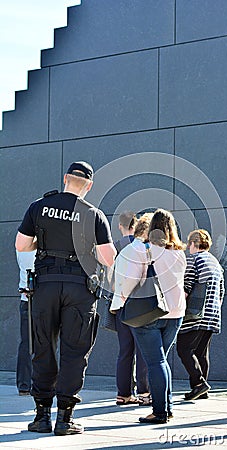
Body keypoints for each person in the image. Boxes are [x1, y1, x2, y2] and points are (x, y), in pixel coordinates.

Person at [15, 161, 116, 436]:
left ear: (65, 178)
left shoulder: (39, 206)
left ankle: (41, 416)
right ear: (89, 186)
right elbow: (108, 258)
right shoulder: (93, 214)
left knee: (43, 347)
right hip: (80, 290)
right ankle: (65, 419)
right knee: (75, 352)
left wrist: (43, 245)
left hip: (45, 286)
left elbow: (21, 245)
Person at [119, 208, 186, 424]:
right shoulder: (179, 253)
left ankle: (159, 412)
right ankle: (167, 407)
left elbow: (130, 281)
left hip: (149, 313)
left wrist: (122, 298)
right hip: (176, 313)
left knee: (156, 362)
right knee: (161, 361)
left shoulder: (145, 251)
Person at [176, 229, 224, 401]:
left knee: (183, 349)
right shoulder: (215, 263)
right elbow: (221, 291)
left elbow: (187, 286)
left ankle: (199, 383)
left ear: (193, 244)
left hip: (196, 313)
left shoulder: (194, 259)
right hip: (212, 314)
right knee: (201, 352)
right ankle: (201, 390)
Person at [110, 213, 152, 406]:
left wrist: (119, 297)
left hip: (121, 306)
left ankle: (123, 394)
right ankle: (144, 393)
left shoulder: (123, 250)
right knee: (143, 351)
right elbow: (139, 279)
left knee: (124, 351)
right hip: (137, 306)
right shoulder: (144, 250)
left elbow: (111, 279)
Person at [15, 250, 35, 396]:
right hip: (42, 298)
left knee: (26, 343)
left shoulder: (21, 246)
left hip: (26, 299)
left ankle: (24, 384)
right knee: (46, 342)